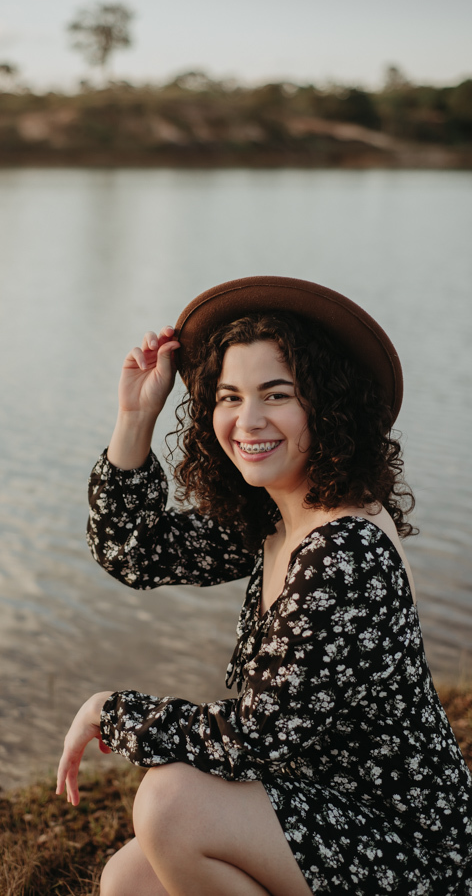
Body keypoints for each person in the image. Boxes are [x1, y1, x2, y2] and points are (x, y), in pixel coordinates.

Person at [56, 276, 472, 896]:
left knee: (171, 804)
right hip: (326, 805)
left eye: (275, 395)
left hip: (407, 848)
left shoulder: (344, 549)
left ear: (326, 406)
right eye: (228, 397)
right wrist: (136, 415)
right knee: (129, 879)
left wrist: (108, 712)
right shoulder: (281, 518)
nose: (247, 421)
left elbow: (256, 737)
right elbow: (133, 552)